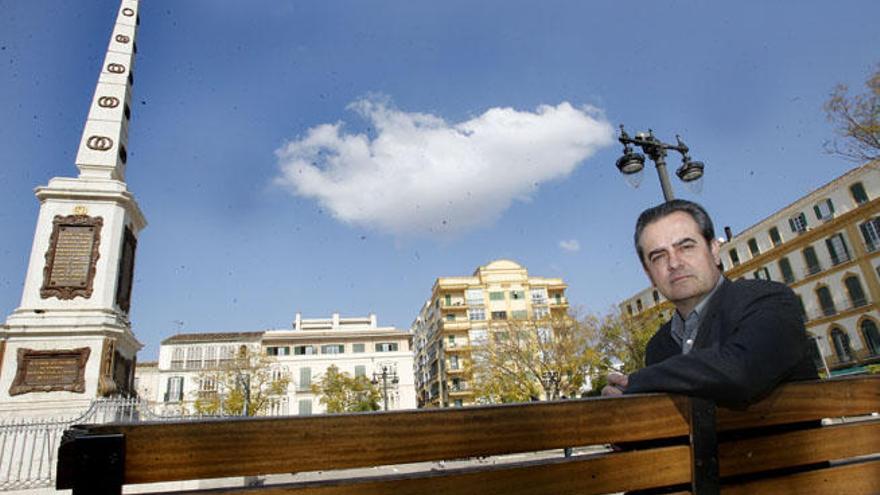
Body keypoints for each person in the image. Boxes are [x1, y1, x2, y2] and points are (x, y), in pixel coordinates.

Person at [603, 200, 817, 408]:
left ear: (714, 250)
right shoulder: (658, 347)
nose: (674, 263)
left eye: (686, 247)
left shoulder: (770, 301)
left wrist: (637, 381)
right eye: (658, 257)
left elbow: (741, 372)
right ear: (649, 274)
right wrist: (622, 414)